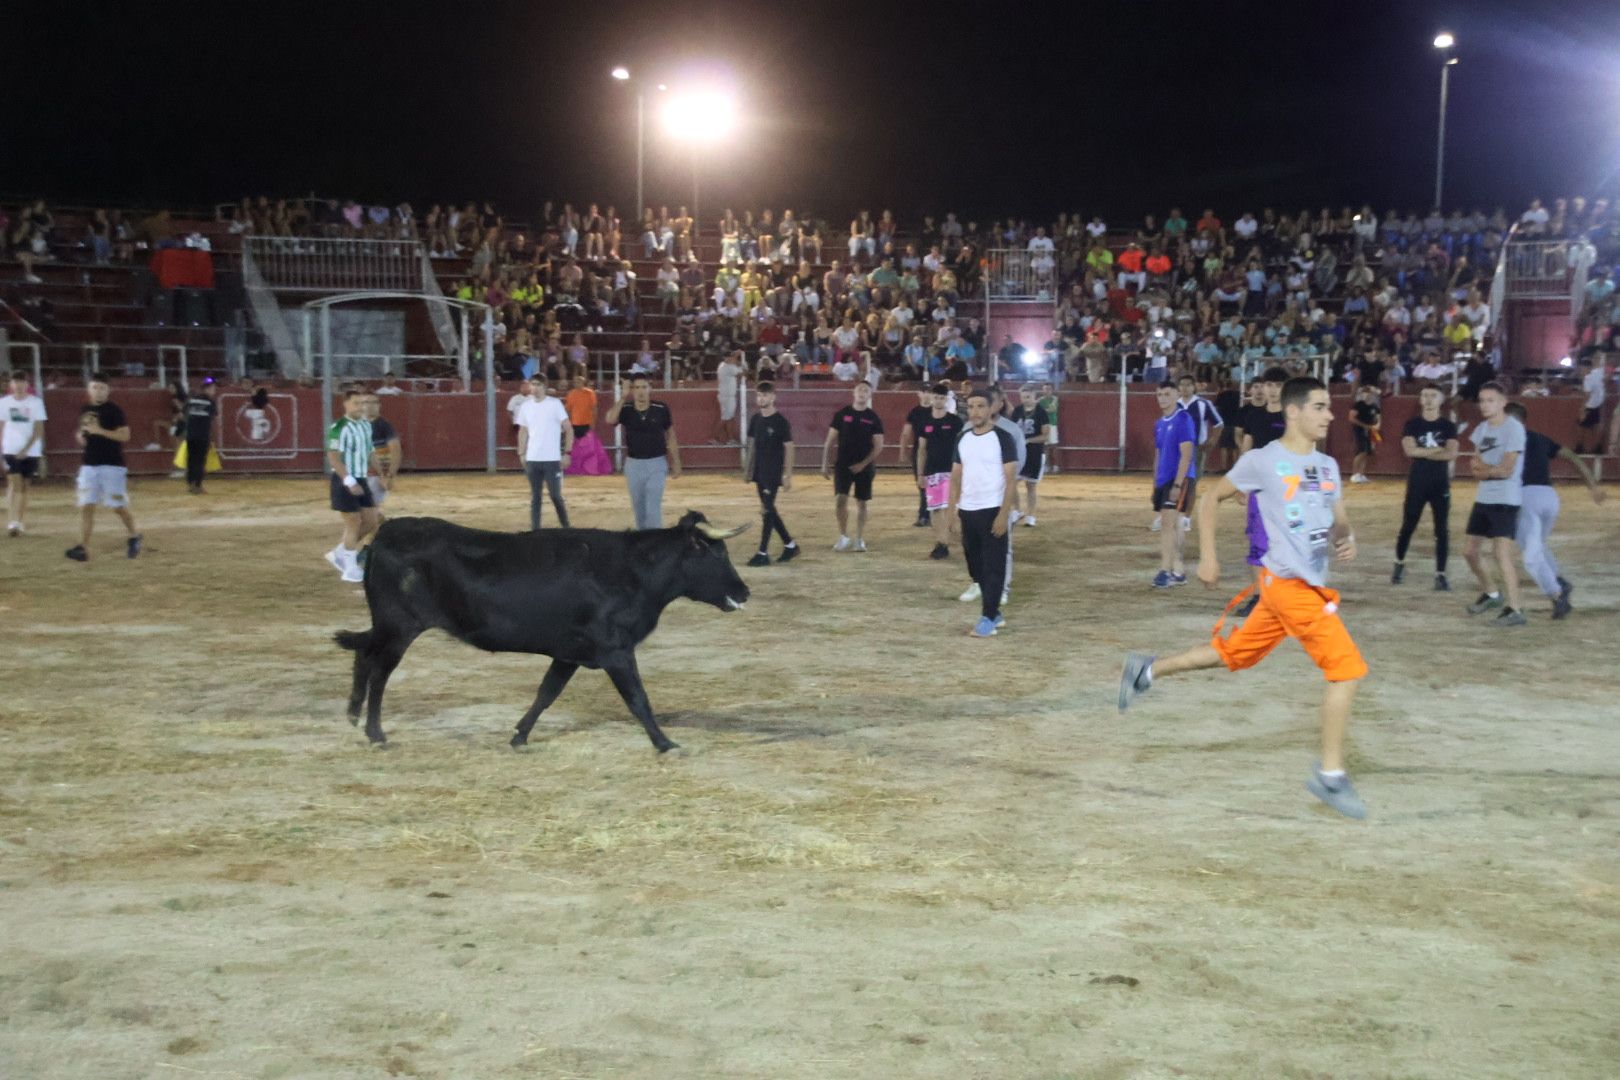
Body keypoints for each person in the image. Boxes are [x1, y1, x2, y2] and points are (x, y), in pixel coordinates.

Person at [1118, 377, 1369, 819]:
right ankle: (1330, 777)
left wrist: (1346, 538)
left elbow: (1339, 519)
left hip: (1292, 588)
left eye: (1329, 407)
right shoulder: (1264, 461)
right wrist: (1209, 557)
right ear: (1293, 412)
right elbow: (1213, 497)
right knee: (1346, 670)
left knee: (1231, 654)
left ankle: (1146, 671)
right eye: (1320, 407)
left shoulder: (1328, 467)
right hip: (1288, 587)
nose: (1330, 415)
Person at [1504, 401, 1605, 619]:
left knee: (1531, 557)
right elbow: (1573, 457)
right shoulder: (1540, 438)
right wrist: (1593, 486)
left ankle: (1557, 594)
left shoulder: (1508, 440)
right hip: (1549, 498)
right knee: (1538, 546)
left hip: (1525, 498)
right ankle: (1558, 580)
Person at [949, 389, 1019, 638]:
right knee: (975, 566)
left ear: (991, 409)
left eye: (980, 406)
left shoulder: (1003, 438)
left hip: (992, 510)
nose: (975, 411)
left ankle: (988, 617)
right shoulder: (963, 438)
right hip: (968, 510)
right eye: (971, 406)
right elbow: (955, 478)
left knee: (994, 566)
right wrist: (952, 511)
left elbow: (1011, 480)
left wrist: (1003, 514)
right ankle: (994, 613)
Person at [1462, 383, 1528, 626]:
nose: (1484, 405)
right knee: (1469, 552)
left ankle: (1515, 609)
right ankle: (1492, 593)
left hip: (1506, 499)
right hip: (1484, 498)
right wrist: (1491, 471)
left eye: (1490, 400)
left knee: (1501, 553)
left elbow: (1506, 469)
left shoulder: (1514, 428)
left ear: (1502, 402)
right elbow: (1476, 466)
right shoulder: (1481, 428)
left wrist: (1487, 471)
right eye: (1482, 400)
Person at [64, 375, 142, 562]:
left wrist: (100, 431)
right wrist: (80, 436)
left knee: (118, 506)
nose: (97, 391)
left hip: (112, 465)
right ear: (89, 390)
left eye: (101, 388)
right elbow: (82, 431)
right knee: (86, 506)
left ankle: (134, 535)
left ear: (108, 390)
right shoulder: (86, 409)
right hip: (89, 464)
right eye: (94, 387)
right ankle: (83, 547)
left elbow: (125, 436)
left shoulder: (114, 411)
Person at [1392, 384, 1458, 590]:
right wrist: (1438, 449)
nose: (1428, 399)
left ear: (1441, 400)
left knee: (1442, 529)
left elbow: (1451, 454)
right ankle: (1399, 563)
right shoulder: (1412, 424)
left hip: (1438, 483)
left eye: (1433, 396)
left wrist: (1422, 451)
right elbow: (1409, 452)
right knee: (1408, 525)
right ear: (1420, 400)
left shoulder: (1448, 426)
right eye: (1425, 395)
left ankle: (1440, 574)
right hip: (1419, 482)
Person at [606, 375, 681, 529]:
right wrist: (622, 397)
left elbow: (671, 435)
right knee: (639, 510)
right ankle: (644, 544)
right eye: (637, 388)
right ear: (632, 390)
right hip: (634, 465)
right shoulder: (626, 409)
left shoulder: (660, 409)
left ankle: (655, 544)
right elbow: (610, 420)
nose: (640, 391)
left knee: (653, 508)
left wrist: (676, 461)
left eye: (644, 387)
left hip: (657, 464)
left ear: (650, 389)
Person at [822, 380, 885, 551]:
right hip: (843, 464)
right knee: (840, 499)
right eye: (860, 390)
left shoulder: (873, 418)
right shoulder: (842, 414)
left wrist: (863, 464)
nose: (862, 393)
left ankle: (859, 538)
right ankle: (843, 536)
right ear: (854, 393)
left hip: (865, 467)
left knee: (862, 502)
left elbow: (878, 445)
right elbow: (829, 441)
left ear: (869, 395)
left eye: (866, 390)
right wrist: (824, 463)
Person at [742, 380, 798, 567]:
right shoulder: (756, 419)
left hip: (773, 474)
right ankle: (790, 545)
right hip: (759, 472)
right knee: (770, 510)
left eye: (765, 395)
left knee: (767, 510)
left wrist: (787, 475)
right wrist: (748, 469)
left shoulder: (781, 422)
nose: (761, 398)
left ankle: (762, 552)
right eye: (759, 395)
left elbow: (789, 448)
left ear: (773, 397)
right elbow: (751, 447)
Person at [323, 389, 375, 583]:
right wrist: (349, 480)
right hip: (344, 478)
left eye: (363, 403)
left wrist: (381, 473)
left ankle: (340, 553)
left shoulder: (365, 425)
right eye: (356, 403)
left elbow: (370, 452)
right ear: (345, 404)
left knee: (370, 521)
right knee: (353, 521)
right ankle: (350, 568)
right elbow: (333, 457)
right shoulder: (339, 427)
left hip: (361, 478)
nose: (361, 407)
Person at [1150, 383, 1197, 587]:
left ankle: (1165, 571)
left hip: (1178, 479)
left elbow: (1186, 454)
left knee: (1167, 525)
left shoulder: (1183, 419)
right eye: (1159, 394)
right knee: (1175, 525)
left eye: (1167, 394)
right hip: (1164, 480)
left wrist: (1178, 484)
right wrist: (1155, 484)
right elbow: (1158, 454)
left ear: (1177, 395)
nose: (1162, 398)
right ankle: (1178, 571)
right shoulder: (1159, 423)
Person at [915, 381, 965, 560]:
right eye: (936, 397)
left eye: (942, 398)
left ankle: (948, 540)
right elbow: (921, 450)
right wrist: (920, 474)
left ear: (946, 399)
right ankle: (941, 542)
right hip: (932, 470)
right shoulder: (924, 421)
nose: (938, 400)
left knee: (951, 507)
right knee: (935, 508)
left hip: (952, 470)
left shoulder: (955, 421)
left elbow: (963, 446)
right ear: (931, 398)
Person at [516, 376, 573, 530]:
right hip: (533, 458)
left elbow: (568, 428)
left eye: (538, 385)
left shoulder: (554, 404)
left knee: (555, 496)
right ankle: (536, 530)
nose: (535, 388)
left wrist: (567, 452)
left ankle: (566, 527)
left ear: (545, 386)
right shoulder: (526, 406)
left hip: (551, 459)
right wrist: (521, 453)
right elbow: (523, 431)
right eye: (533, 384)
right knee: (536, 497)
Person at [2, 371, 47, 536]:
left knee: (24, 487)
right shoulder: (4, 403)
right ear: (11, 385)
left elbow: (38, 430)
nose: (19, 385)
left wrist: (26, 449)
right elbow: (1, 426)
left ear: (27, 384)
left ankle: (19, 521)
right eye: (15, 382)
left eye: (22, 382)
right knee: (16, 484)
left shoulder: (35, 403)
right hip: (10, 449)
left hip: (31, 451)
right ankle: (13, 521)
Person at [1008, 384, 1051, 526]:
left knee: (1030, 485)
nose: (1025, 400)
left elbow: (1045, 435)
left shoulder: (1041, 412)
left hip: (1035, 453)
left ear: (1034, 396)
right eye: (1023, 397)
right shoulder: (1017, 411)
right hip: (1019, 454)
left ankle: (1030, 515)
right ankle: (1017, 510)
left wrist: (1027, 440)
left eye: (1028, 397)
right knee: (1012, 482)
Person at [1176, 373, 1224, 478]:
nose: (1185, 388)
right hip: (1176, 448)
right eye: (1182, 385)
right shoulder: (1174, 404)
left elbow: (1219, 424)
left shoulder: (1203, 404)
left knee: (1192, 480)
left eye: (1188, 385)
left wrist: (1212, 442)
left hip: (1197, 447)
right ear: (1178, 387)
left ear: (1194, 387)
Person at [899, 388, 934, 527]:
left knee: (932, 484)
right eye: (924, 391)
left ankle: (926, 515)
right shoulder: (914, 412)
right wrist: (902, 451)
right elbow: (905, 433)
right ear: (918, 394)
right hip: (919, 451)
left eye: (929, 392)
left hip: (935, 452)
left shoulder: (935, 410)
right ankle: (925, 514)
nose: (926, 394)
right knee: (922, 484)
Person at [364, 391, 401, 519]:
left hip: (376, 474)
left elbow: (396, 451)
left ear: (379, 405)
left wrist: (389, 475)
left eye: (374, 402)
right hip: (361, 473)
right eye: (366, 402)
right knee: (368, 509)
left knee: (369, 509)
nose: (370, 406)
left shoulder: (384, 425)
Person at [181, 380, 218, 494]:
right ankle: (197, 485)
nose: (214, 391)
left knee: (191, 459)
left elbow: (183, 412)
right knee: (200, 460)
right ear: (206, 389)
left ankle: (191, 483)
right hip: (202, 435)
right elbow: (214, 416)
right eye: (212, 388)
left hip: (191, 434)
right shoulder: (210, 402)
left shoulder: (192, 399)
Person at [1348, 384, 1381, 483]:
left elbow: (1378, 418)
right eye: (1365, 393)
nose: (1367, 395)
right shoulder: (1359, 405)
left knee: (1367, 452)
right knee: (1361, 450)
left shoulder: (1375, 406)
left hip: (1370, 431)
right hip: (1360, 430)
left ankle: (1361, 474)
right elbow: (1351, 418)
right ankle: (1354, 474)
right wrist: (1364, 426)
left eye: (1369, 393)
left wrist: (1377, 426)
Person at [1574, 355, 1607, 455]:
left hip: (1591, 405)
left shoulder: (1587, 379)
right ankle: (1598, 447)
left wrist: (1582, 409)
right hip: (1600, 403)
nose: (1581, 371)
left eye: (1582, 368)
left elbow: (1587, 396)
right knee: (1597, 426)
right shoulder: (1598, 372)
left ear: (1586, 368)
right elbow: (1605, 372)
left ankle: (1579, 447)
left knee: (1581, 426)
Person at [714, 349, 744, 445]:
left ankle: (730, 439)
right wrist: (740, 359)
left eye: (731, 356)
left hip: (726, 395)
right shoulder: (727, 367)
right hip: (727, 396)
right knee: (725, 418)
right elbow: (741, 373)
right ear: (725, 358)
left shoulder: (723, 366)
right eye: (729, 356)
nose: (730, 358)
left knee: (729, 417)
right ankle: (714, 438)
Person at [564, 371, 598, 444]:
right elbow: (568, 409)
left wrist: (593, 422)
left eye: (579, 382)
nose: (577, 384)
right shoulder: (571, 394)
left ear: (583, 383)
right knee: (576, 444)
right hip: (575, 423)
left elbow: (594, 408)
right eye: (575, 382)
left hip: (587, 423)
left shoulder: (590, 393)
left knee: (587, 444)